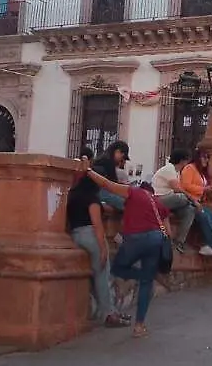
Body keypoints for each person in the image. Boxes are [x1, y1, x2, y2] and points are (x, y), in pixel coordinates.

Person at [81, 158, 172, 339]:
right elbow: (168, 232)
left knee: (117, 268)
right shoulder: (159, 204)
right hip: (155, 239)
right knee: (147, 284)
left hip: (135, 238)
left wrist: (88, 171)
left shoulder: (133, 192)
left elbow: (107, 185)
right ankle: (139, 327)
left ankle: (143, 275)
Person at [67, 171, 127, 328]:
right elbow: (97, 224)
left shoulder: (71, 196)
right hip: (90, 235)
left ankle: (102, 310)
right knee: (103, 275)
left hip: (75, 234)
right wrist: (103, 247)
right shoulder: (91, 199)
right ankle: (109, 313)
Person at [178, 150, 212, 262]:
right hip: (189, 201)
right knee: (205, 217)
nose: (206, 160)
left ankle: (208, 245)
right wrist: (204, 189)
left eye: (208, 158)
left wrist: (208, 190)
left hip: (199, 202)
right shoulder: (189, 168)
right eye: (204, 157)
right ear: (198, 158)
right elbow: (185, 186)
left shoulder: (201, 173)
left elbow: (200, 188)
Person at [151, 149, 198, 252]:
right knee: (183, 198)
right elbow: (177, 189)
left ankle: (180, 241)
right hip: (159, 199)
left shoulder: (177, 172)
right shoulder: (169, 169)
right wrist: (192, 199)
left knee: (190, 210)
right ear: (182, 161)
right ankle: (193, 203)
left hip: (170, 199)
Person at [92, 141, 130, 211]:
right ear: (118, 151)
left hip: (98, 191)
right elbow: (112, 185)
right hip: (99, 192)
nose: (121, 160)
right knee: (127, 204)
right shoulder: (108, 162)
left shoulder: (104, 159)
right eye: (123, 157)